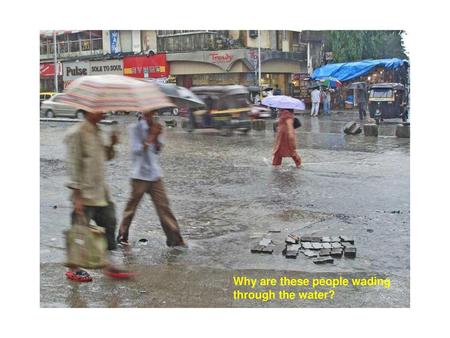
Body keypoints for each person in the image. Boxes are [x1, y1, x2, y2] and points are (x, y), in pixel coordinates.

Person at [64, 111, 133, 282]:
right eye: (99, 110)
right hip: (84, 193)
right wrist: (77, 194)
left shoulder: (97, 131)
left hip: (101, 191)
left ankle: (108, 264)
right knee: (80, 229)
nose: (102, 113)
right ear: (88, 112)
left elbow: (106, 157)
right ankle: (73, 269)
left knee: (109, 223)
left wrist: (112, 144)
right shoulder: (77, 133)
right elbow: (73, 165)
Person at [117, 110, 186, 248]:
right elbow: (136, 150)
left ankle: (175, 239)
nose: (149, 116)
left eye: (151, 113)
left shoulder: (157, 127)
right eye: (146, 113)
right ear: (142, 114)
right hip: (139, 176)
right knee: (131, 208)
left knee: (164, 207)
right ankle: (122, 236)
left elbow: (157, 150)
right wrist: (151, 136)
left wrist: (157, 138)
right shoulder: (135, 129)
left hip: (155, 175)